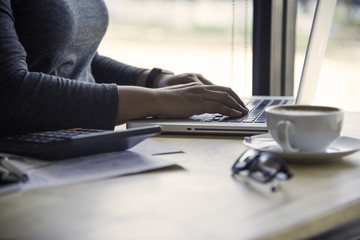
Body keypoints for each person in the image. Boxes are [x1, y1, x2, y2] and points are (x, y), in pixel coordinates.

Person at [0, 0, 248, 137]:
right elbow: (10, 92)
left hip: (80, 141)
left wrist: (153, 81)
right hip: (25, 159)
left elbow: (72, 57)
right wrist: (159, 100)